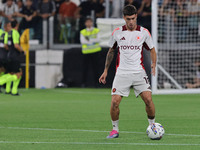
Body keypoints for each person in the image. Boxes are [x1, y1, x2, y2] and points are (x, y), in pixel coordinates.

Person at [99, 5, 157, 138]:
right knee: (114, 102)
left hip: (138, 72)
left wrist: (153, 64)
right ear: (124, 18)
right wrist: (106, 70)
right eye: (128, 19)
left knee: (148, 100)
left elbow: (152, 49)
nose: (131, 22)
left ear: (136, 16)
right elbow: (111, 51)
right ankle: (115, 130)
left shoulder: (144, 32)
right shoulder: (117, 33)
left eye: (133, 18)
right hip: (122, 73)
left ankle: (152, 126)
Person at [0, 20, 25, 95]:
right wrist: (23, 51)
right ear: (17, 25)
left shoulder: (7, 34)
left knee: (9, 72)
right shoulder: (14, 32)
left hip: (8, 56)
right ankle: (6, 86)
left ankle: (10, 90)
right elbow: (16, 45)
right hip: (13, 56)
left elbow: (5, 45)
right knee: (18, 74)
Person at [80, 18, 101, 87]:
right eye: (87, 22)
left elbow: (98, 39)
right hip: (86, 52)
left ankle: (97, 83)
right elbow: (83, 41)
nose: (89, 23)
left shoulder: (96, 30)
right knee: (85, 68)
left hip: (95, 51)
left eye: (90, 22)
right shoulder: (83, 32)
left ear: (92, 23)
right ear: (85, 23)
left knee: (96, 68)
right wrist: (93, 40)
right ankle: (83, 83)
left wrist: (89, 40)